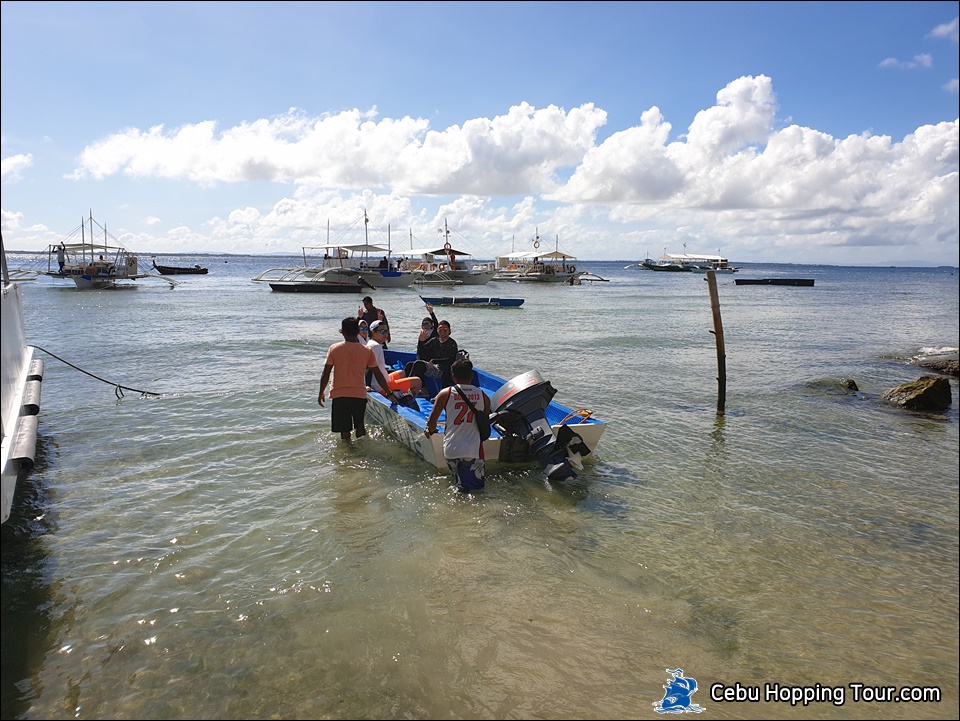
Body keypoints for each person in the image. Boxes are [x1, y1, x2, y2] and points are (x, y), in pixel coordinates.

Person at [317, 317, 391, 441]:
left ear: (343, 333)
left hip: (339, 395)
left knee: (344, 431)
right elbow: (378, 374)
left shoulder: (334, 349)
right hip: (359, 394)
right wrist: (389, 393)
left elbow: (326, 374)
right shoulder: (366, 351)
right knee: (360, 427)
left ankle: (349, 455)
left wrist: (321, 393)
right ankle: (362, 452)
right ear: (357, 331)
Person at [424, 358, 490, 492]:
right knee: (474, 492)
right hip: (472, 450)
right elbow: (485, 421)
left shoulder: (445, 394)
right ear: (472, 376)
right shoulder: (483, 396)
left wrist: (429, 431)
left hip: (451, 449)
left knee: (458, 484)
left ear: (453, 378)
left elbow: (432, 422)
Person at [367, 320, 422, 397]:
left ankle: (402, 393)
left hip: (383, 381)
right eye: (382, 331)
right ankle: (408, 401)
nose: (385, 334)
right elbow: (370, 369)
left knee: (401, 372)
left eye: (387, 331)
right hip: (381, 387)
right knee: (417, 381)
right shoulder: (376, 347)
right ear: (373, 332)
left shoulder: (371, 344)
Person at [421, 318, 459, 387]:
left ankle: (444, 390)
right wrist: (421, 341)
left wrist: (434, 361)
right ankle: (421, 389)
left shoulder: (452, 343)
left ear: (449, 331)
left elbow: (451, 359)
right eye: (440, 328)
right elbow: (423, 350)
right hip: (436, 369)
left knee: (446, 367)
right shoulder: (434, 340)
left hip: (448, 372)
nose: (442, 331)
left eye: (445, 329)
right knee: (417, 364)